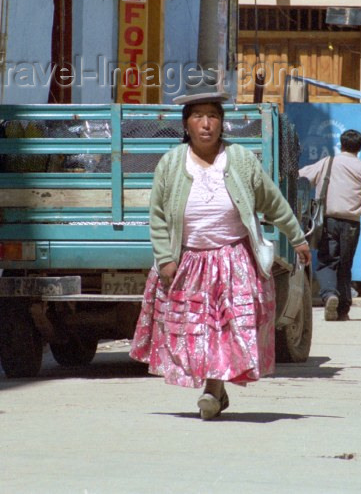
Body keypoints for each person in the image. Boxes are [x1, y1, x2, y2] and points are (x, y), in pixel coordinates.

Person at [129, 84, 311, 420]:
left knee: (228, 328)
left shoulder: (240, 159)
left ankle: (212, 389)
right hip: (189, 261)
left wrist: (297, 237)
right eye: (198, 117)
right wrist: (166, 258)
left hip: (233, 259)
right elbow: (156, 215)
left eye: (213, 116)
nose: (206, 124)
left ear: (222, 123)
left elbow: (271, 200)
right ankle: (216, 386)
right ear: (186, 125)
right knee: (196, 330)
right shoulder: (171, 164)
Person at [299, 129, 361, 321]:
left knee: (327, 261)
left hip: (329, 220)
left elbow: (303, 176)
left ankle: (330, 294)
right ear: (360, 147)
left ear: (341, 144)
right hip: (352, 224)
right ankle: (343, 310)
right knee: (345, 265)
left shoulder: (329, 162)